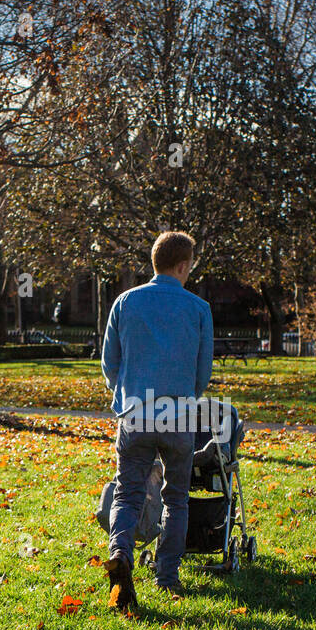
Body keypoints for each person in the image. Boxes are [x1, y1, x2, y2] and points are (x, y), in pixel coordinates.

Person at [100, 231, 213, 610]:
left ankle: (121, 552)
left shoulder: (125, 302)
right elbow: (202, 374)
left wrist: (127, 392)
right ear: (183, 266)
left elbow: (109, 363)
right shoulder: (199, 308)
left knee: (128, 492)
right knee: (176, 498)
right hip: (178, 416)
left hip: (135, 412)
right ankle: (167, 576)